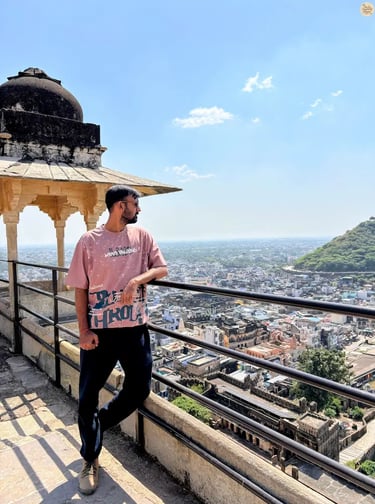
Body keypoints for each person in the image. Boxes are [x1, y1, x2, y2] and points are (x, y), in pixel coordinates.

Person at [65, 184, 168, 495]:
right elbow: (80, 288)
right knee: (87, 396)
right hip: (100, 332)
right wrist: (83, 330)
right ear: (121, 206)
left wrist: (138, 278)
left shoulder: (143, 237)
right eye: (134, 204)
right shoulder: (89, 241)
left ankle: (98, 426)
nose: (138, 209)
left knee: (139, 387)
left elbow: (161, 268)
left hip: (134, 327)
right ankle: (90, 458)